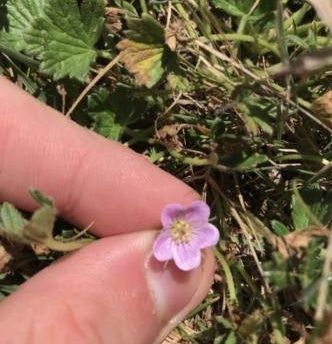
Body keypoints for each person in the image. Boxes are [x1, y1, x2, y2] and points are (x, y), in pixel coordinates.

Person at [0, 76, 215, 344]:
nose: (181, 228)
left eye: (182, 227)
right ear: (173, 220)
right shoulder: (169, 225)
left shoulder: (183, 230)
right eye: (179, 225)